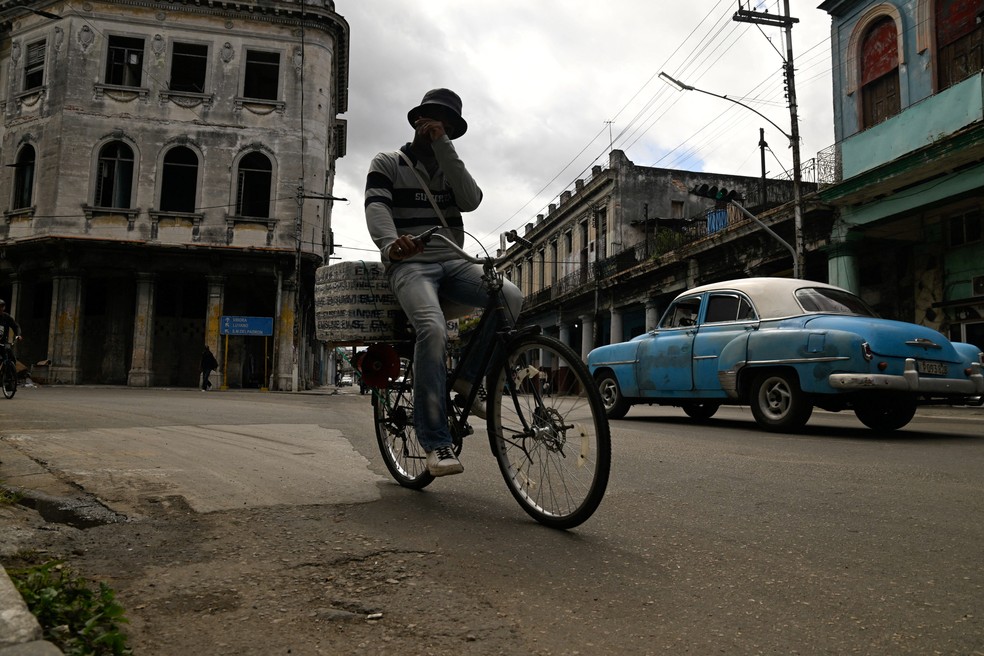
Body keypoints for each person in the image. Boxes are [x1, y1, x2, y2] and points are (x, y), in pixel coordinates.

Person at [365, 88, 522, 477]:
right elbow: (377, 208)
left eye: (448, 124)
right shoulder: (388, 161)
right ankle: (436, 442)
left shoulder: (450, 167)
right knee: (432, 330)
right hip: (411, 266)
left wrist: (446, 149)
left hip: (453, 261)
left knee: (510, 296)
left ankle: (469, 381)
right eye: (434, 120)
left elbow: (470, 201)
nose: (439, 128)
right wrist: (391, 245)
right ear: (418, 119)